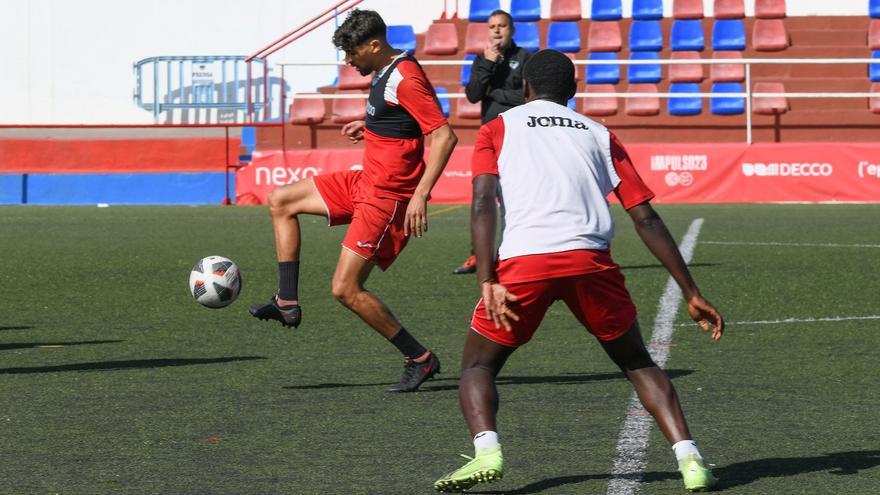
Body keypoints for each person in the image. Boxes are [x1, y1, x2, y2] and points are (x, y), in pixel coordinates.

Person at [433, 50, 724, 492]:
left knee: (477, 365)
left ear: (525, 88)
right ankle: (690, 459)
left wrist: (487, 279)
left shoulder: (497, 128)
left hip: (524, 263)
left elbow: (481, 203)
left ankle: (487, 450)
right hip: (591, 263)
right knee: (636, 362)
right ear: (572, 92)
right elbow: (645, 218)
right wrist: (691, 291)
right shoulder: (600, 133)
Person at [249, 9, 458, 393]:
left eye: (352, 54)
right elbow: (402, 120)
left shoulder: (407, 78)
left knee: (345, 289)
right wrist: (371, 125)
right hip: (365, 181)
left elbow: (444, 136)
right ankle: (286, 301)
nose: (348, 61)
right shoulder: (385, 70)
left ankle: (420, 358)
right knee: (281, 200)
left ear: (374, 45)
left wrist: (420, 195)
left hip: (386, 197)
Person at [453, 9, 532, 275]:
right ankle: (478, 256)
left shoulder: (526, 58)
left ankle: (514, 255)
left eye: (502, 26)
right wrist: (487, 65)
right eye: (492, 26)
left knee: (515, 199)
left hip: (519, 136)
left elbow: (526, 98)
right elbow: (474, 95)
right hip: (490, 137)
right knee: (482, 197)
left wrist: (495, 92)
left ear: (512, 29)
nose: (497, 31)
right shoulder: (481, 60)